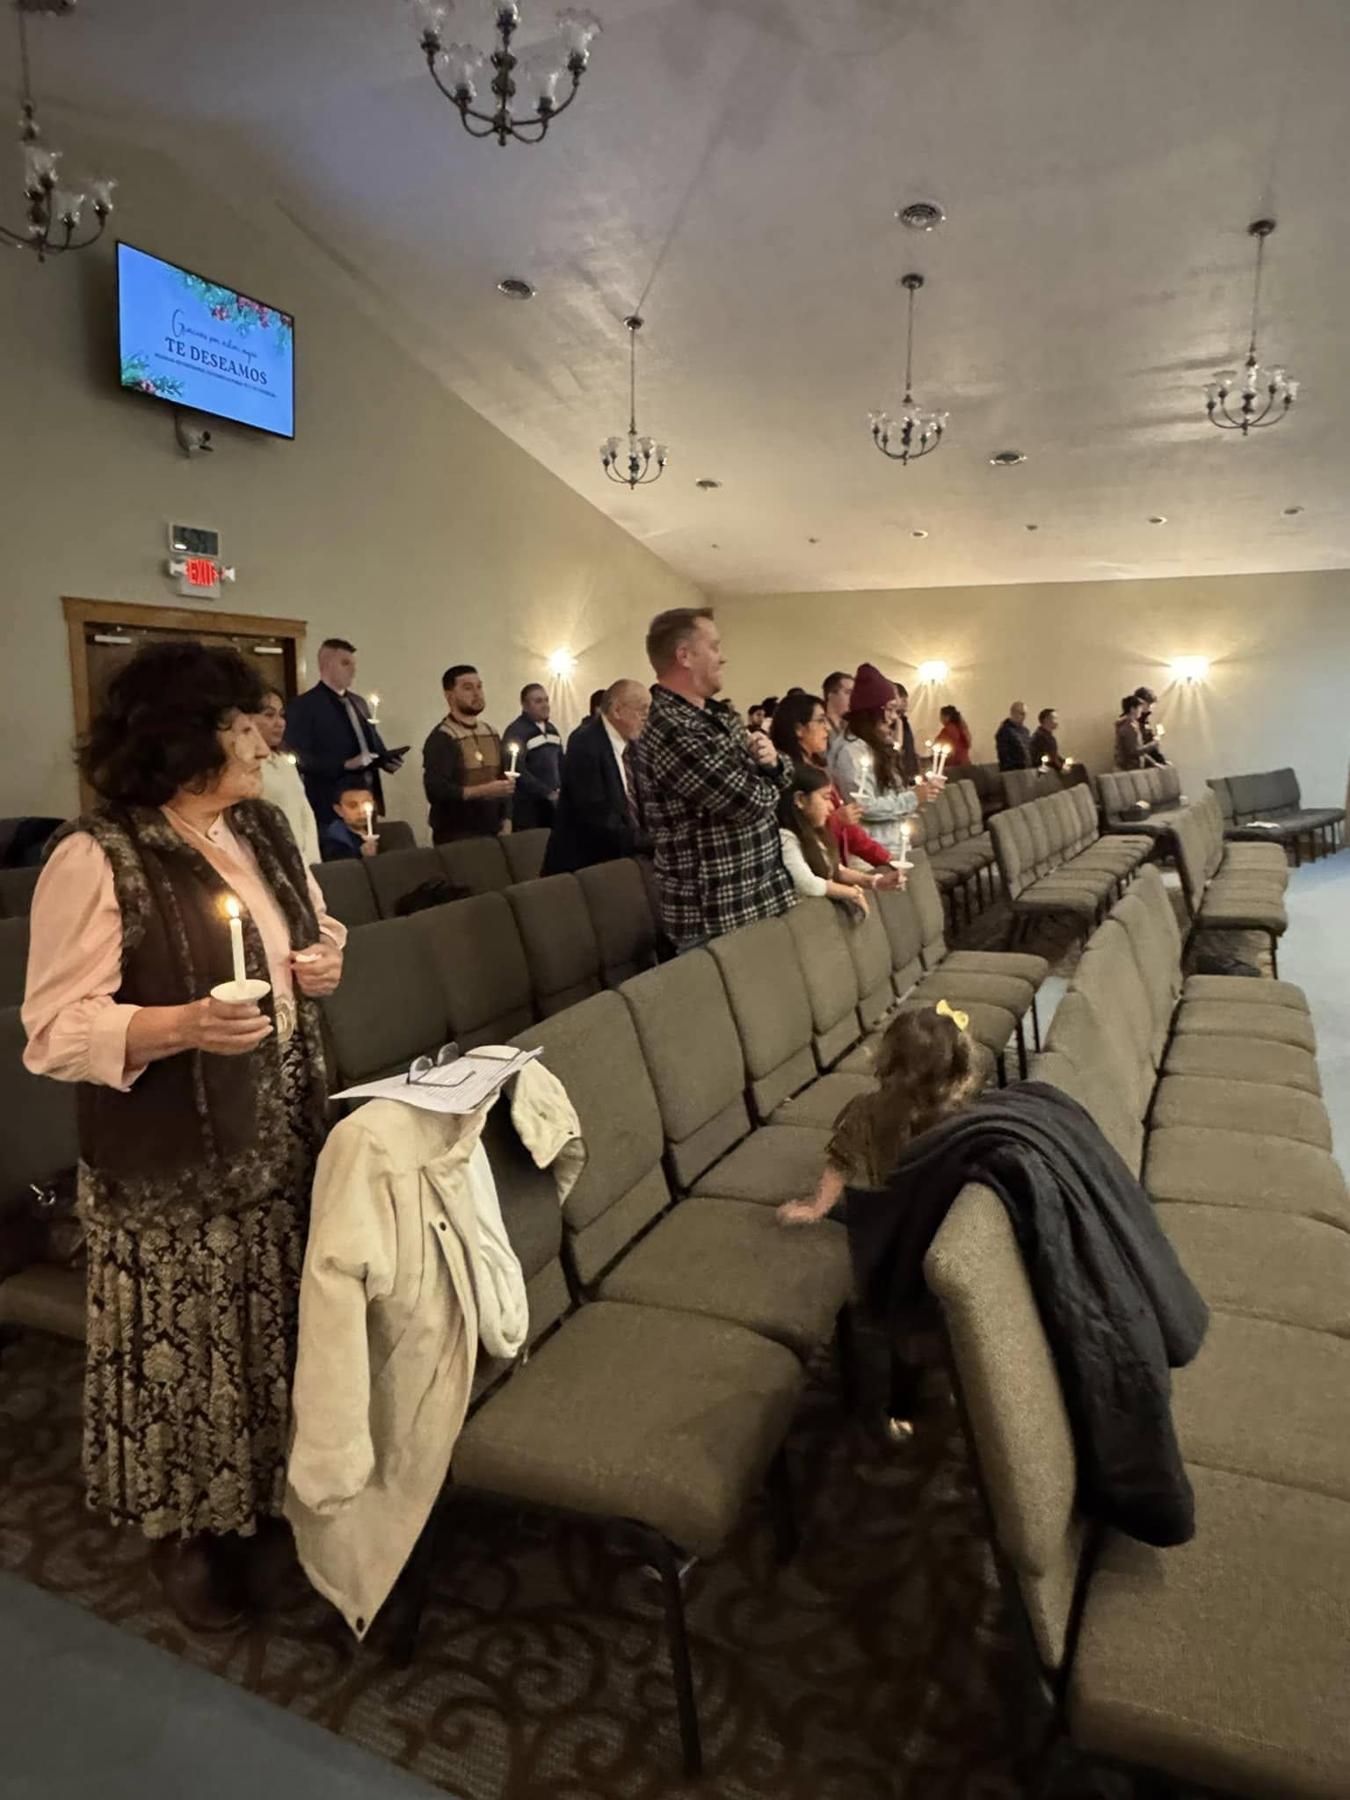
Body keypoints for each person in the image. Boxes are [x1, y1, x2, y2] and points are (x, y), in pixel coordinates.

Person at [22, 642, 346, 1633]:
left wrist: (324, 959)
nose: (262, 742)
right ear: (180, 737)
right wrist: (181, 1025)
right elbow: (52, 1032)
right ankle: (183, 1537)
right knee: (190, 1358)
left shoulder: (263, 825)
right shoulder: (98, 856)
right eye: (241, 725)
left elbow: (312, 927)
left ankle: (261, 1503)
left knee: (267, 1341)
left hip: (279, 1130)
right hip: (172, 1169)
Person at [631, 607, 794, 952]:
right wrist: (768, 774)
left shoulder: (716, 714)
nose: (723, 657)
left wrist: (773, 764)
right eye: (714, 646)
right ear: (685, 656)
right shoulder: (672, 730)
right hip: (717, 915)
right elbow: (749, 802)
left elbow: (782, 771)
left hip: (755, 899)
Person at [778, 1002, 979, 1225]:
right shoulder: (869, 1111)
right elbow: (841, 1162)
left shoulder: (960, 1116)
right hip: (919, 1214)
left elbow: (840, 1164)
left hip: (923, 1216)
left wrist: (817, 1207)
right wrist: (817, 1207)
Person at [770, 692, 900, 875]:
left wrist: (887, 859)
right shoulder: (786, 776)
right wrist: (837, 821)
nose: (827, 729)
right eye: (820, 721)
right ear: (799, 729)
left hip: (834, 866)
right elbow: (795, 834)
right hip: (814, 872)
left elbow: (852, 832)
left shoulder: (817, 769)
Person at [284, 639, 404, 836]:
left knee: (370, 849)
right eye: (345, 663)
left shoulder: (359, 702)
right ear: (326, 665)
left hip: (366, 796)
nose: (353, 671)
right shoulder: (304, 706)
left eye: (353, 665)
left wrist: (385, 759)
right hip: (331, 802)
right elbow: (297, 757)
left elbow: (370, 742)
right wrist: (344, 765)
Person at [542, 679, 652, 875]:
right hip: (585, 864)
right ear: (617, 710)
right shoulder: (585, 743)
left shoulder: (635, 744)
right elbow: (596, 814)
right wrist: (646, 841)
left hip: (621, 858)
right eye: (642, 709)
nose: (647, 717)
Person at [827, 664, 929, 860]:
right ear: (871, 711)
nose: (893, 718)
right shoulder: (851, 751)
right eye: (889, 709)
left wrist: (916, 795)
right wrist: (912, 799)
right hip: (872, 851)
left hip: (891, 842)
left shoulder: (875, 745)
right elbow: (864, 806)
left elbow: (887, 792)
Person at [422, 665, 516, 844]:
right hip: (457, 834)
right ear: (450, 696)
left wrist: (507, 819)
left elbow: (504, 779)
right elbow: (436, 790)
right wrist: (484, 790)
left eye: (479, 686)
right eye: (468, 688)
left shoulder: (491, 732)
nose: (477, 693)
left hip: (493, 829)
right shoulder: (443, 737)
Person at [777, 765, 881, 914]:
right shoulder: (787, 838)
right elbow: (807, 884)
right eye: (825, 798)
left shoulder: (816, 834)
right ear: (800, 799)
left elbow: (836, 868)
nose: (831, 807)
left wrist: (872, 881)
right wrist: (852, 893)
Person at [257, 686, 321, 866]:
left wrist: (311, 857)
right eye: (269, 715)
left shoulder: (284, 761)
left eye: (281, 715)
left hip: (304, 859)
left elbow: (305, 810)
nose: (280, 723)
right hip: (276, 859)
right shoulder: (248, 767)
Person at [501, 684, 565, 833]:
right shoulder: (516, 731)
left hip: (552, 806)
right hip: (529, 808)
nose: (545, 705)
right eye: (538, 701)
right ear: (524, 705)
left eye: (546, 700)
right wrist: (546, 792)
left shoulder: (552, 729)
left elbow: (561, 762)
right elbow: (517, 769)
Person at [322, 783, 381, 861]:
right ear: (339, 810)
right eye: (353, 806)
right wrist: (360, 854)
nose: (361, 811)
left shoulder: (381, 831)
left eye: (366, 804)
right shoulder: (334, 841)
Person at [892, 683, 920, 782]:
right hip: (899, 769)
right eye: (902, 699)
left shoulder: (903, 720)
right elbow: (897, 745)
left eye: (906, 699)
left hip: (909, 768)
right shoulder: (892, 721)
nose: (906, 703)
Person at [995, 700, 1033, 771]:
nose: (1024, 717)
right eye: (1021, 714)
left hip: (1026, 769)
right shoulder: (1005, 731)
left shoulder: (1025, 731)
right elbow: (1004, 755)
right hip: (1012, 771)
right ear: (1013, 713)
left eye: (1025, 714)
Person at [1134, 687, 1168, 766]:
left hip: (1148, 761)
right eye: (1148, 704)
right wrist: (1155, 763)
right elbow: (1136, 750)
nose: (1150, 708)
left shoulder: (1145, 719)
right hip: (1137, 764)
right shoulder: (1133, 722)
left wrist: (1162, 761)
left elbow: (1149, 741)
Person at [1115, 694, 1146, 770]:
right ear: (1132, 709)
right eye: (1139, 708)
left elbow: (1139, 748)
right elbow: (1133, 751)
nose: (1141, 711)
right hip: (1128, 768)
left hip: (1134, 767)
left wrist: (1154, 763)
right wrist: (1154, 744)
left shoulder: (1134, 724)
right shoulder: (1128, 727)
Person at [822, 670, 854, 744]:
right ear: (831, 695)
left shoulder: (851, 726)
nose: (853, 697)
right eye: (848, 692)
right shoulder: (819, 725)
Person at [1029, 707, 1063, 771]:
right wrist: (1061, 767)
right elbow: (1051, 757)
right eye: (1055, 718)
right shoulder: (1040, 737)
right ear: (1046, 720)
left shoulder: (1048, 737)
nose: (1057, 722)